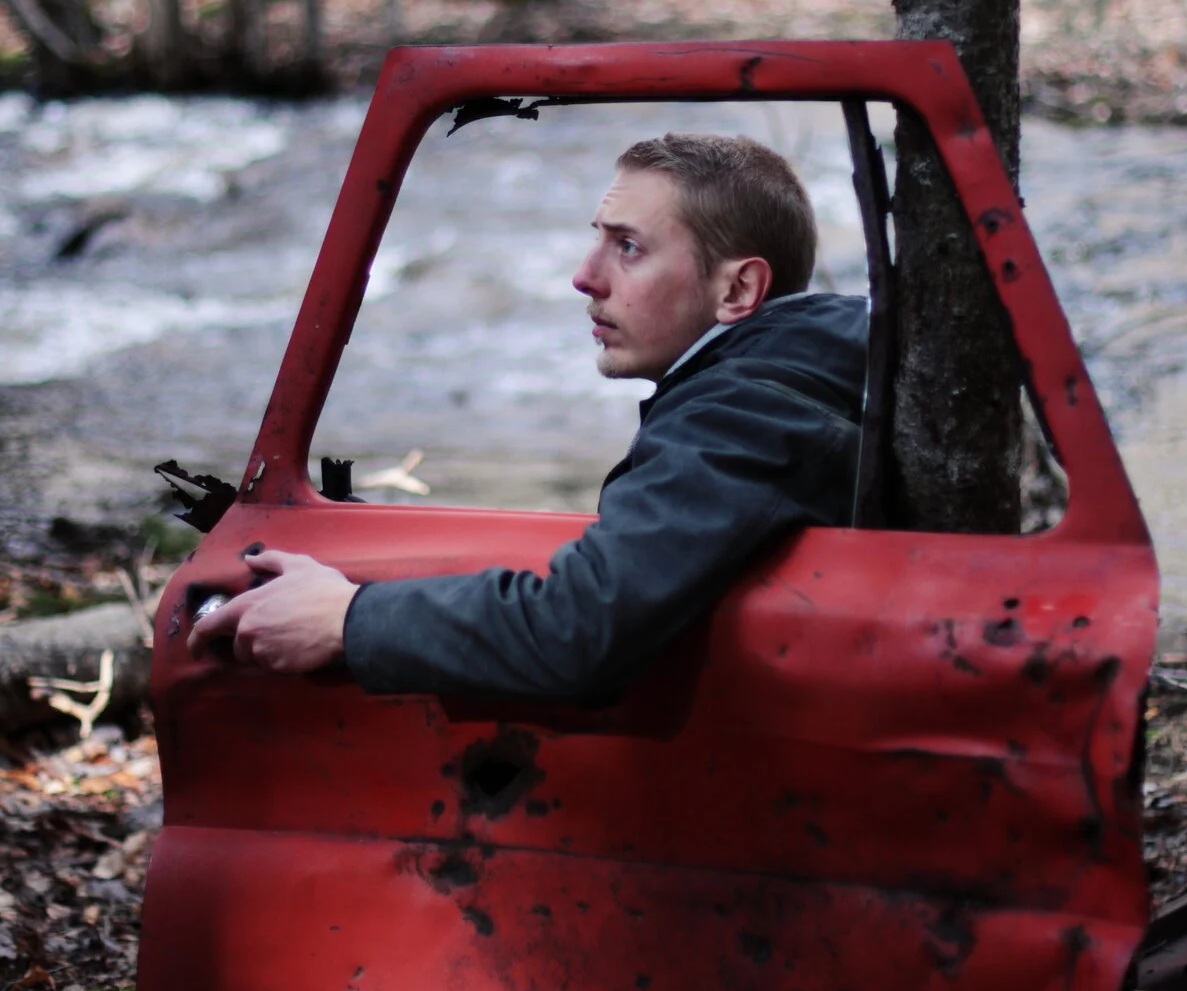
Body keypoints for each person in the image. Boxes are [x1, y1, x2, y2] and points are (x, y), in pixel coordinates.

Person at [186, 133, 867, 704]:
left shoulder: (748, 412)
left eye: (628, 247)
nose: (584, 275)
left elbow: (581, 629)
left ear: (738, 288)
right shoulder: (802, 372)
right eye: (596, 240)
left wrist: (349, 618)